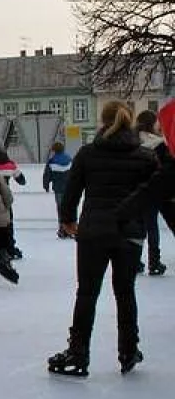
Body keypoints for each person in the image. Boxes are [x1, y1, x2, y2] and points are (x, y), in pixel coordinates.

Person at [48, 101, 158, 377]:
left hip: (93, 232)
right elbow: (155, 194)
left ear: (102, 121)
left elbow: (71, 194)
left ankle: (78, 352)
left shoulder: (87, 154)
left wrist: (68, 221)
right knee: (125, 292)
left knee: (87, 292)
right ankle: (128, 350)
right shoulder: (144, 157)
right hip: (129, 233)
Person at [132, 110, 171, 275]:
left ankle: (135, 262)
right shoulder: (160, 144)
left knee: (137, 227)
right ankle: (154, 262)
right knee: (152, 228)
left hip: (135, 190)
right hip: (155, 190)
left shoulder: (132, 142)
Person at [42, 141, 74, 240]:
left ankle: (63, 229)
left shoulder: (52, 161)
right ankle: (71, 228)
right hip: (70, 188)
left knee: (61, 209)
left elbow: (47, 175)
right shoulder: (69, 159)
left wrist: (46, 185)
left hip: (58, 189)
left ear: (54, 150)